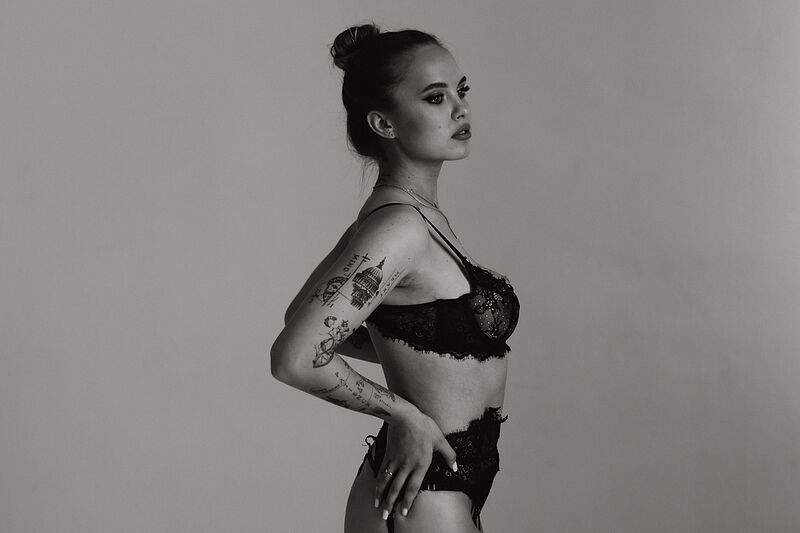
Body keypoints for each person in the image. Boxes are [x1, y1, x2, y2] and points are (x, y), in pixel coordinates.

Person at [270, 23, 520, 533]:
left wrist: (401, 351)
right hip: (424, 493)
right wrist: (404, 414)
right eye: (435, 97)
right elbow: (295, 356)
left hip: (430, 485)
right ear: (384, 123)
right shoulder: (400, 228)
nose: (460, 109)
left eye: (462, 91)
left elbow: (302, 316)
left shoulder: (406, 216)